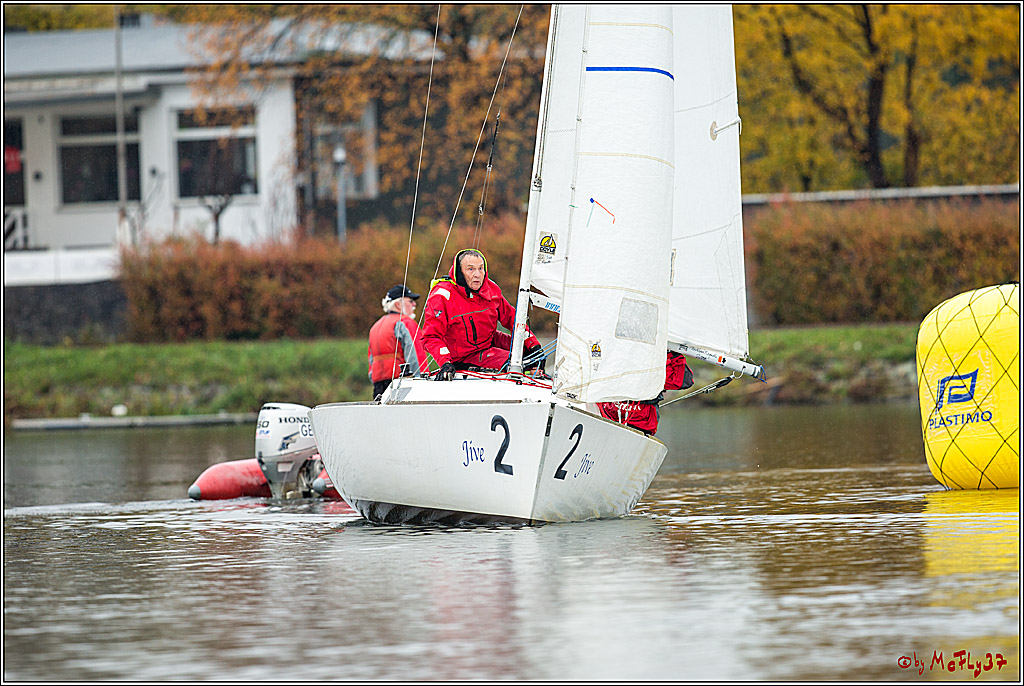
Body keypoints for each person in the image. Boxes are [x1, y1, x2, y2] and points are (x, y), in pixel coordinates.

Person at [422, 248, 543, 380]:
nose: (477, 274)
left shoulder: (491, 289)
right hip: (463, 355)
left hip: (489, 341)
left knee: (533, 357)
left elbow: (512, 318)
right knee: (516, 364)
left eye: (481, 268)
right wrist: (445, 363)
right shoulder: (442, 296)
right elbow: (430, 336)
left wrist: (533, 344)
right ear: (460, 272)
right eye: (471, 269)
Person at [597, 351, 693, 435]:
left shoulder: (654, 368)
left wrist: (672, 353)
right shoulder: (612, 360)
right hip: (610, 418)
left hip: (640, 425)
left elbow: (683, 381)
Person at [368, 284, 430, 399]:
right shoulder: (406, 323)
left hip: (378, 387)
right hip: (402, 387)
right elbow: (416, 356)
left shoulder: (375, 327)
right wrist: (423, 382)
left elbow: (371, 360)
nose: (414, 304)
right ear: (398, 304)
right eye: (410, 301)